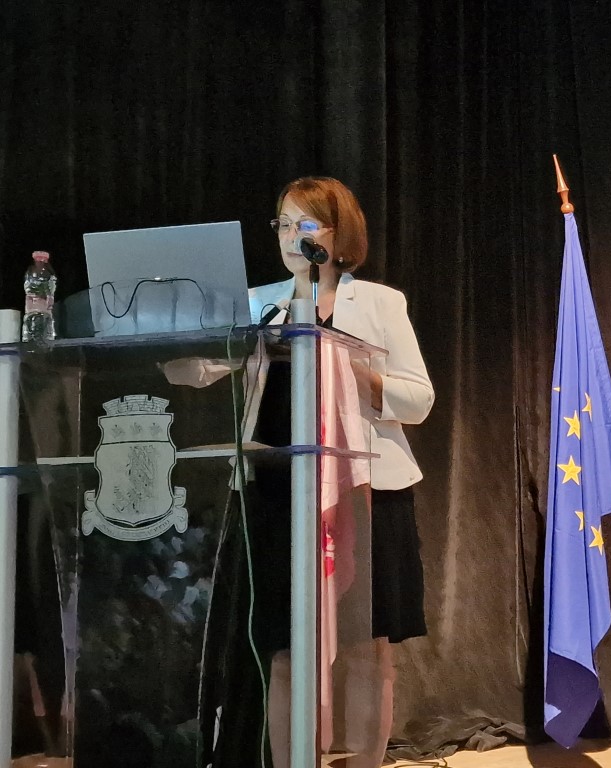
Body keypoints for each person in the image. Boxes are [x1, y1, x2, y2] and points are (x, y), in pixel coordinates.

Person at [247, 176, 434, 768]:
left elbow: (419, 400)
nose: (290, 236)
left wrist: (360, 373)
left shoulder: (380, 303)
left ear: (337, 233)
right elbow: (203, 373)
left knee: (366, 646)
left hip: (367, 490)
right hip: (280, 489)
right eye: (282, 224)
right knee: (285, 648)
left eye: (305, 224)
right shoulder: (258, 305)